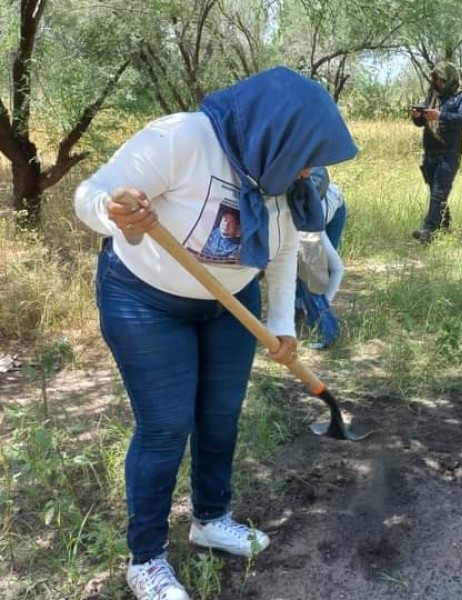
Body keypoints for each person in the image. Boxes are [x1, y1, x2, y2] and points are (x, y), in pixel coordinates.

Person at [74, 66, 357, 600]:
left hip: (231, 305)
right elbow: (94, 192)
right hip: (146, 300)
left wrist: (279, 323)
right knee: (165, 426)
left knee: (220, 416)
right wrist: (111, 214)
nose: (311, 170)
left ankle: (210, 518)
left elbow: (282, 248)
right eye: (308, 155)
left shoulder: (277, 171)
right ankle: (147, 559)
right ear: (278, 133)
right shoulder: (183, 138)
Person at [410, 61, 462, 243]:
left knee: (438, 191)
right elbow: (423, 122)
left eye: (441, 79)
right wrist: (418, 117)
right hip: (430, 152)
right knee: (437, 191)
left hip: (449, 153)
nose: (438, 83)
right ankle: (445, 227)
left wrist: (441, 115)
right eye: (436, 79)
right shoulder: (433, 95)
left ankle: (428, 230)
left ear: (450, 79)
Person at [295, 167, 347, 349]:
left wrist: (324, 304)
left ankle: (328, 333)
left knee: (314, 276)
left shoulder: (311, 226)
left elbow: (338, 269)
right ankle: (298, 308)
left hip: (335, 210)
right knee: (298, 266)